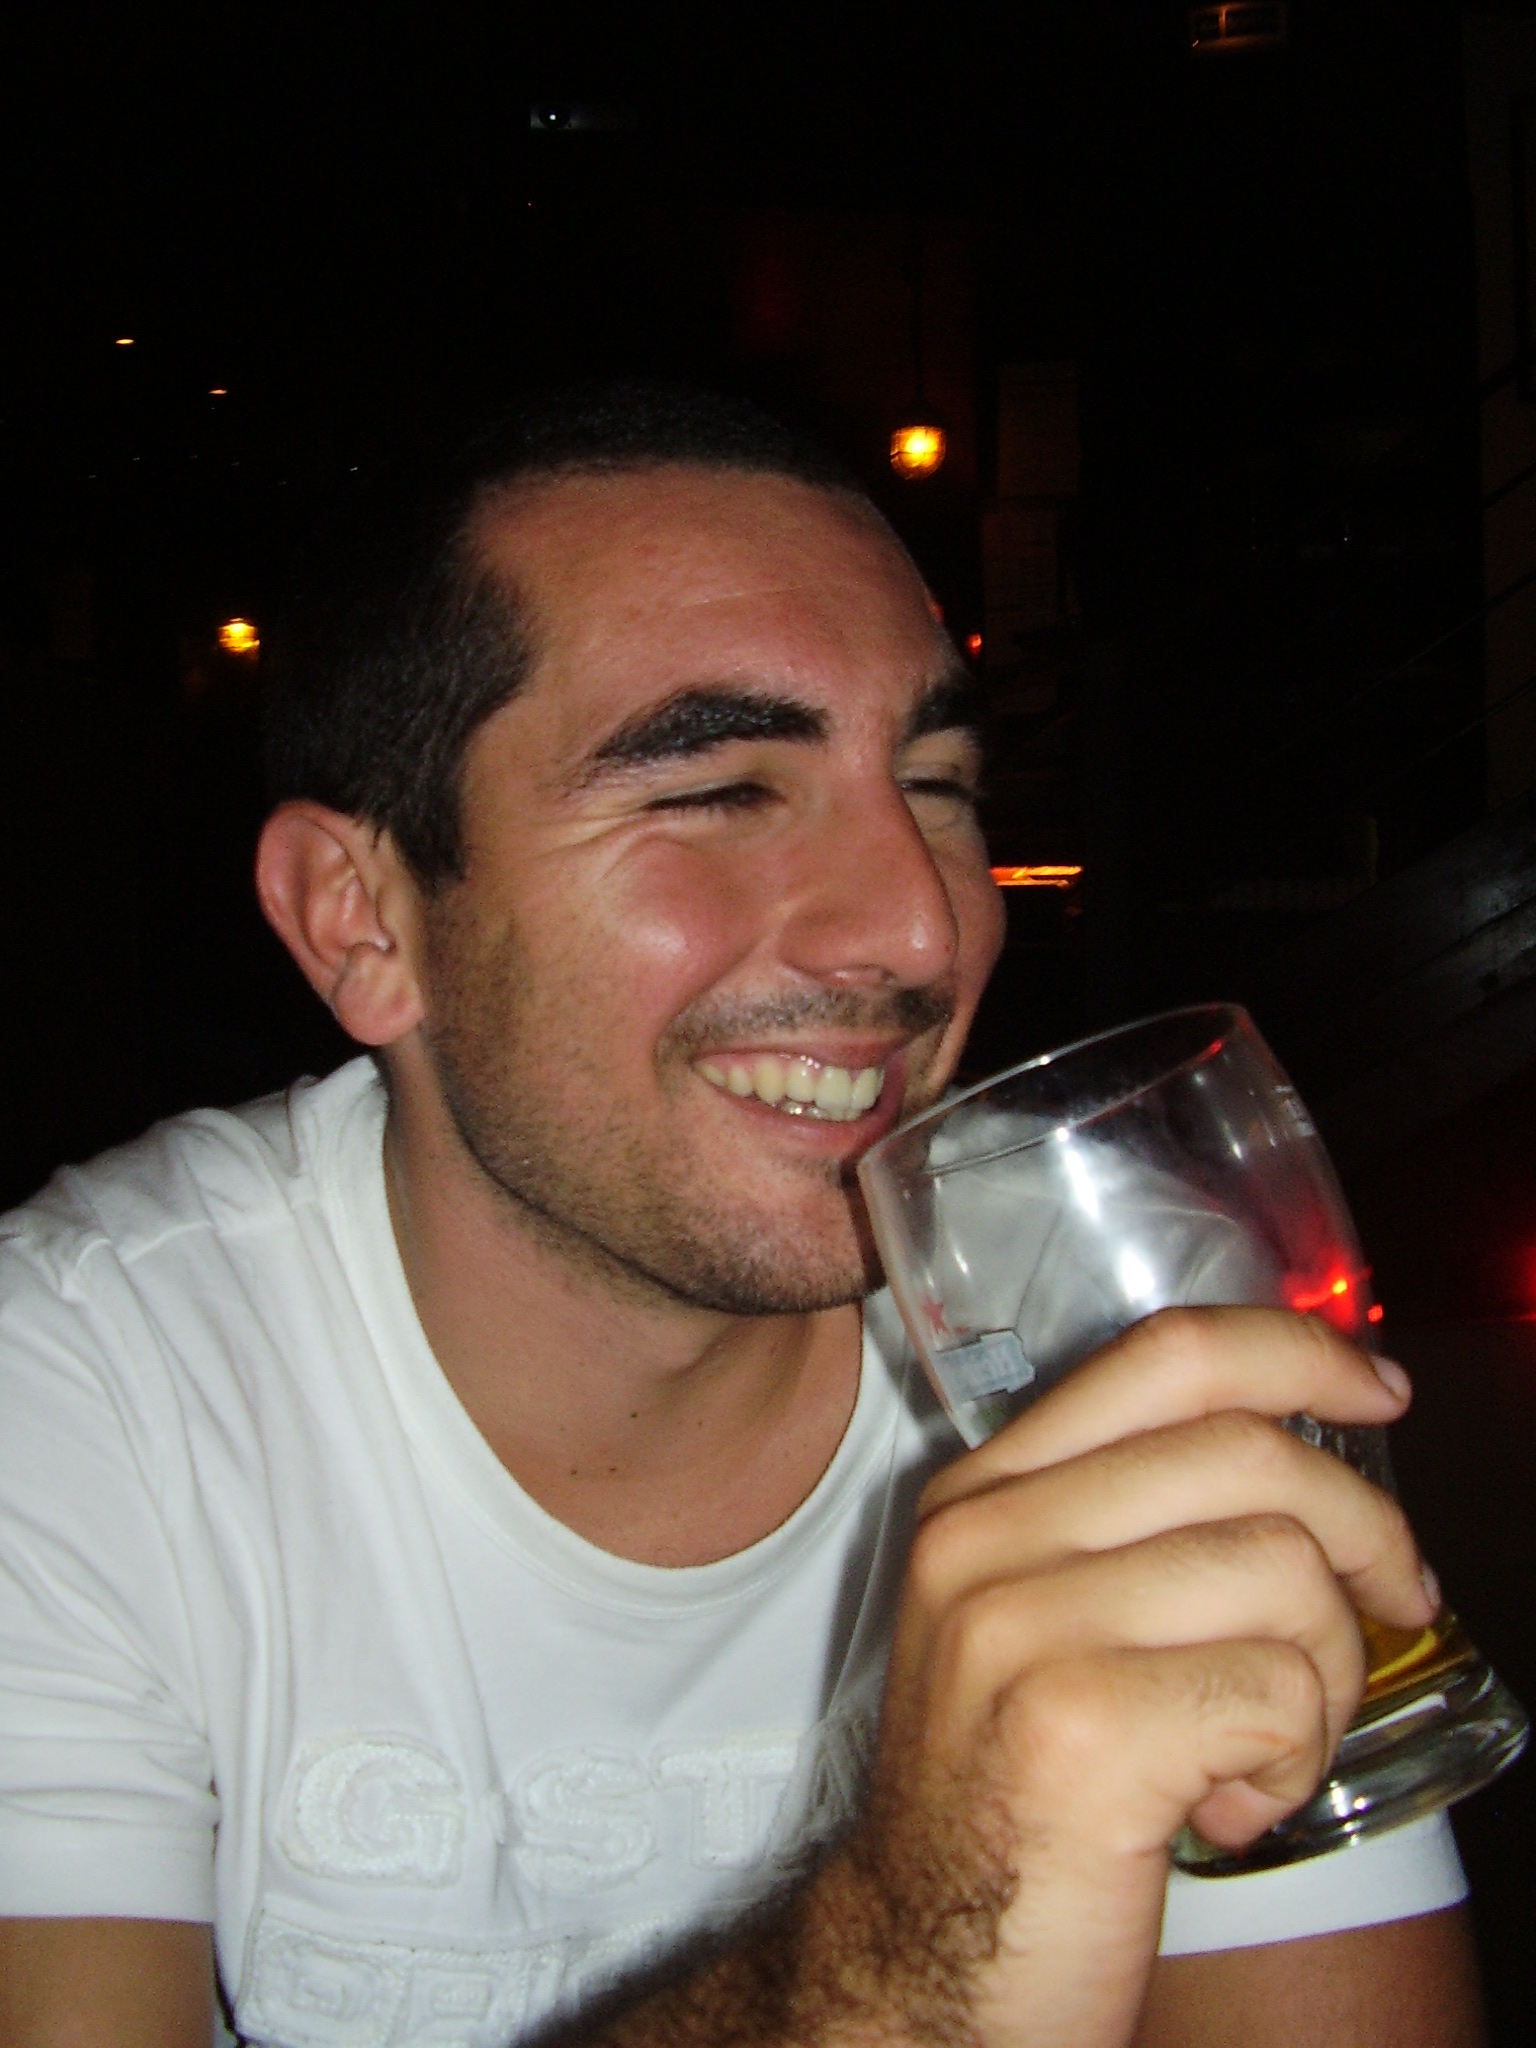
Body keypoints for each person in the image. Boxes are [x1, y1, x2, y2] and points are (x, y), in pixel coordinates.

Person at [0, 386, 1483, 2047]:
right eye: (714, 791)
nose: (920, 932)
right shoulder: (87, 1390)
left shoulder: (1101, 1308)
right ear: (365, 922)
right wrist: (913, 1957)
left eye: (936, 783)